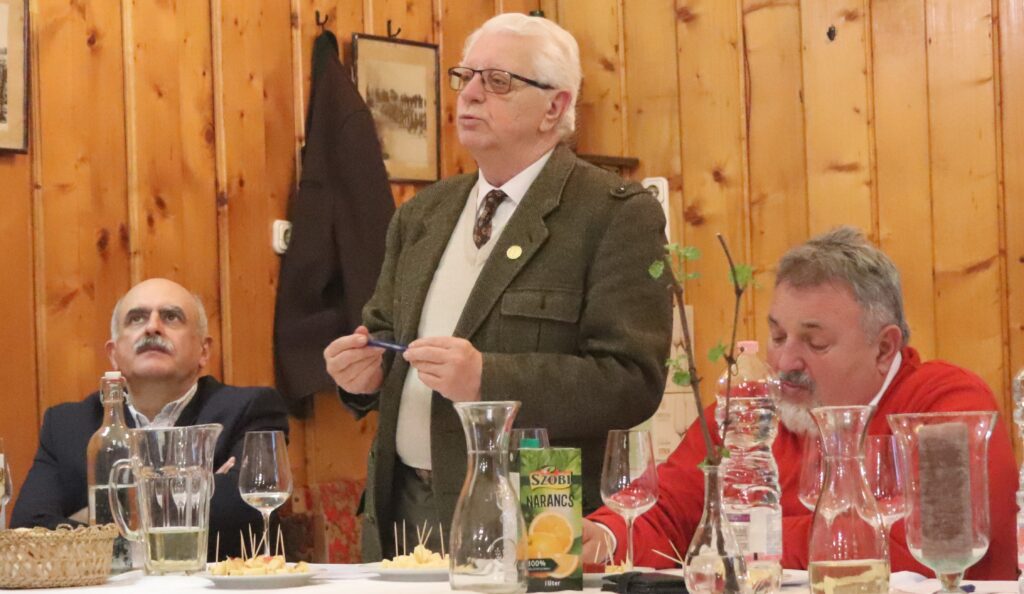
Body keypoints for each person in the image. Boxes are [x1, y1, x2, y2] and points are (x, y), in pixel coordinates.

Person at [323, 13, 672, 561]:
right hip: (403, 510)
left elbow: (632, 381)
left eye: (498, 81)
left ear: (555, 106)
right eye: (465, 77)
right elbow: (385, 337)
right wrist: (360, 377)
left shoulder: (613, 215)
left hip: (526, 516)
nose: (470, 94)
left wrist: (488, 379)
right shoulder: (422, 214)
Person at [583, 226, 1017, 580]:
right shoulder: (750, 409)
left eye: (815, 342)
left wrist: (748, 538)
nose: (785, 362)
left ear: (884, 349)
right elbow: (669, 511)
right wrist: (605, 535)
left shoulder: (944, 404)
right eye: (777, 336)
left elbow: (924, 548)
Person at [12, 278, 290, 560]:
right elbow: (28, 529)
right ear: (114, 354)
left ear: (203, 351)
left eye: (171, 317)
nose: (152, 327)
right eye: (136, 318)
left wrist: (97, 513)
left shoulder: (250, 409)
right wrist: (197, 489)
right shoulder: (68, 425)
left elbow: (243, 508)